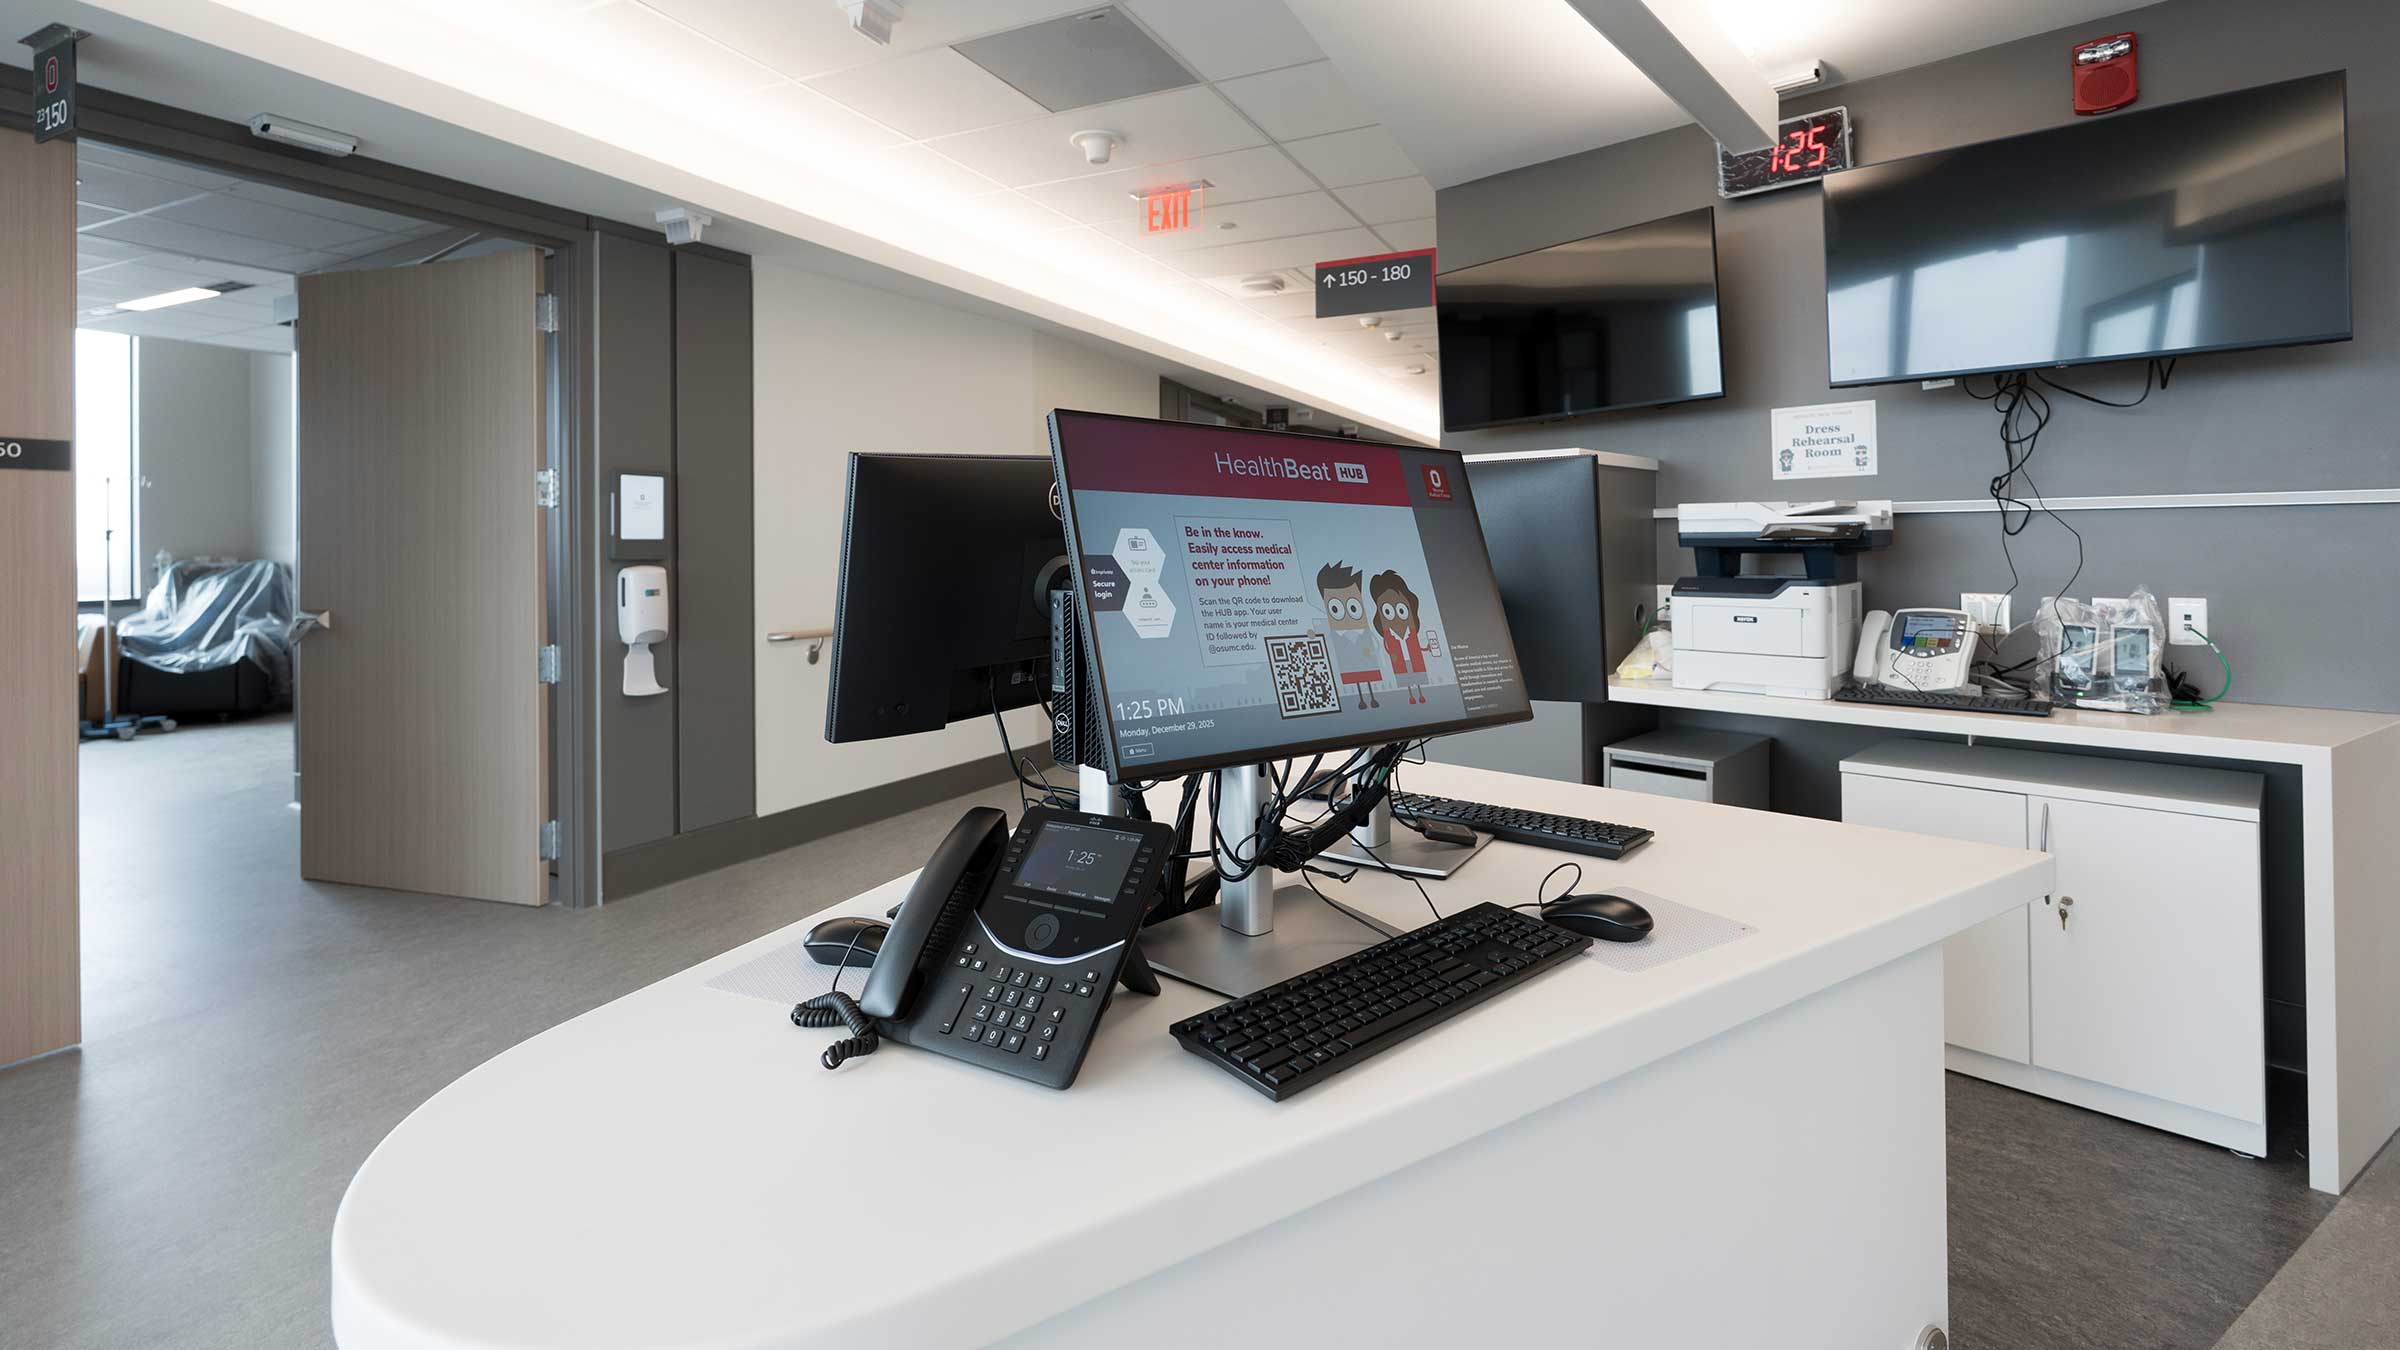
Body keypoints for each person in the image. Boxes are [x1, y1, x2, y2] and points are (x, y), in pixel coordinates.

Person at [1315, 561, 1382, 710]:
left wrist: (1372, 652)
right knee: (1357, 680)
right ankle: (1361, 700)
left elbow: (1377, 645)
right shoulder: (1337, 635)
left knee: (1368, 679)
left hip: (1366, 661)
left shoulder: (1365, 633)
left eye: (1353, 606)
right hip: (1350, 664)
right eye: (1335, 608)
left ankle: (1372, 698)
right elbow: (1326, 643)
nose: (1346, 615)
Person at [1371, 570, 1430, 705]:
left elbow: (1418, 647)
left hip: (1414, 659)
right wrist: (1391, 655)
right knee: (1406, 679)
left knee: (1418, 677)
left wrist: (1426, 648)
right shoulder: (1389, 636)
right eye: (1387, 611)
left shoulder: (1412, 632)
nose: (1397, 617)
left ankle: (1420, 694)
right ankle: (1411, 696)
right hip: (1400, 662)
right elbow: (1386, 647)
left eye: (1402, 610)